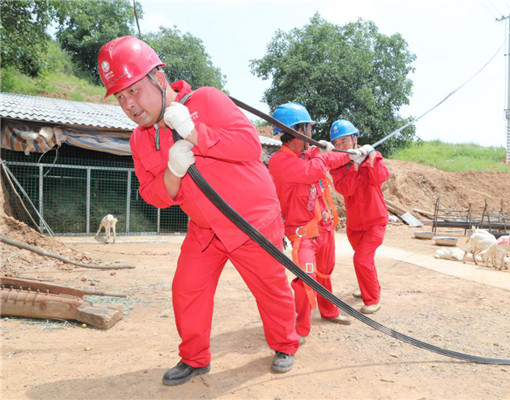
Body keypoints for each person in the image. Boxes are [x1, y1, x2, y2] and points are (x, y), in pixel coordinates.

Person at [97, 36, 299, 385]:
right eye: (120, 96)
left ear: (158, 79)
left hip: (250, 221)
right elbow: (153, 195)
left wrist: (193, 131)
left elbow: (250, 147)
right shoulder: (139, 139)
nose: (128, 104)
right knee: (187, 289)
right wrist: (172, 173)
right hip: (205, 228)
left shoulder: (206, 100)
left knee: (270, 287)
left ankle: (285, 344)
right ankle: (194, 359)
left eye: (133, 90)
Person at [268, 103, 363, 344]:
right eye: (308, 127)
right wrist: (341, 154)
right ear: (299, 130)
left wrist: (354, 153)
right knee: (306, 279)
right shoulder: (280, 162)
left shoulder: (306, 155)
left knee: (324, 272)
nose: (311, 132)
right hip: (302, 232)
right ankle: (299, 328)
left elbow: (319, 159)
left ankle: (329, 310)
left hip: (324, 226)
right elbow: (314, 170)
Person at [328, 120, 390, 314]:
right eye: (337, 144)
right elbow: (347, 189)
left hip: (375, 222)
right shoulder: (338, 166)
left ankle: (372, 299)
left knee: (362, 260)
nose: (341, 147)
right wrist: (352, 164)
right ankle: (368, 287)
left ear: (355, 139)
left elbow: (380, 177)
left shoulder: (372, 156)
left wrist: (368, 158)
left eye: (344, 141)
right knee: (365, 260)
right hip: (355, 225)